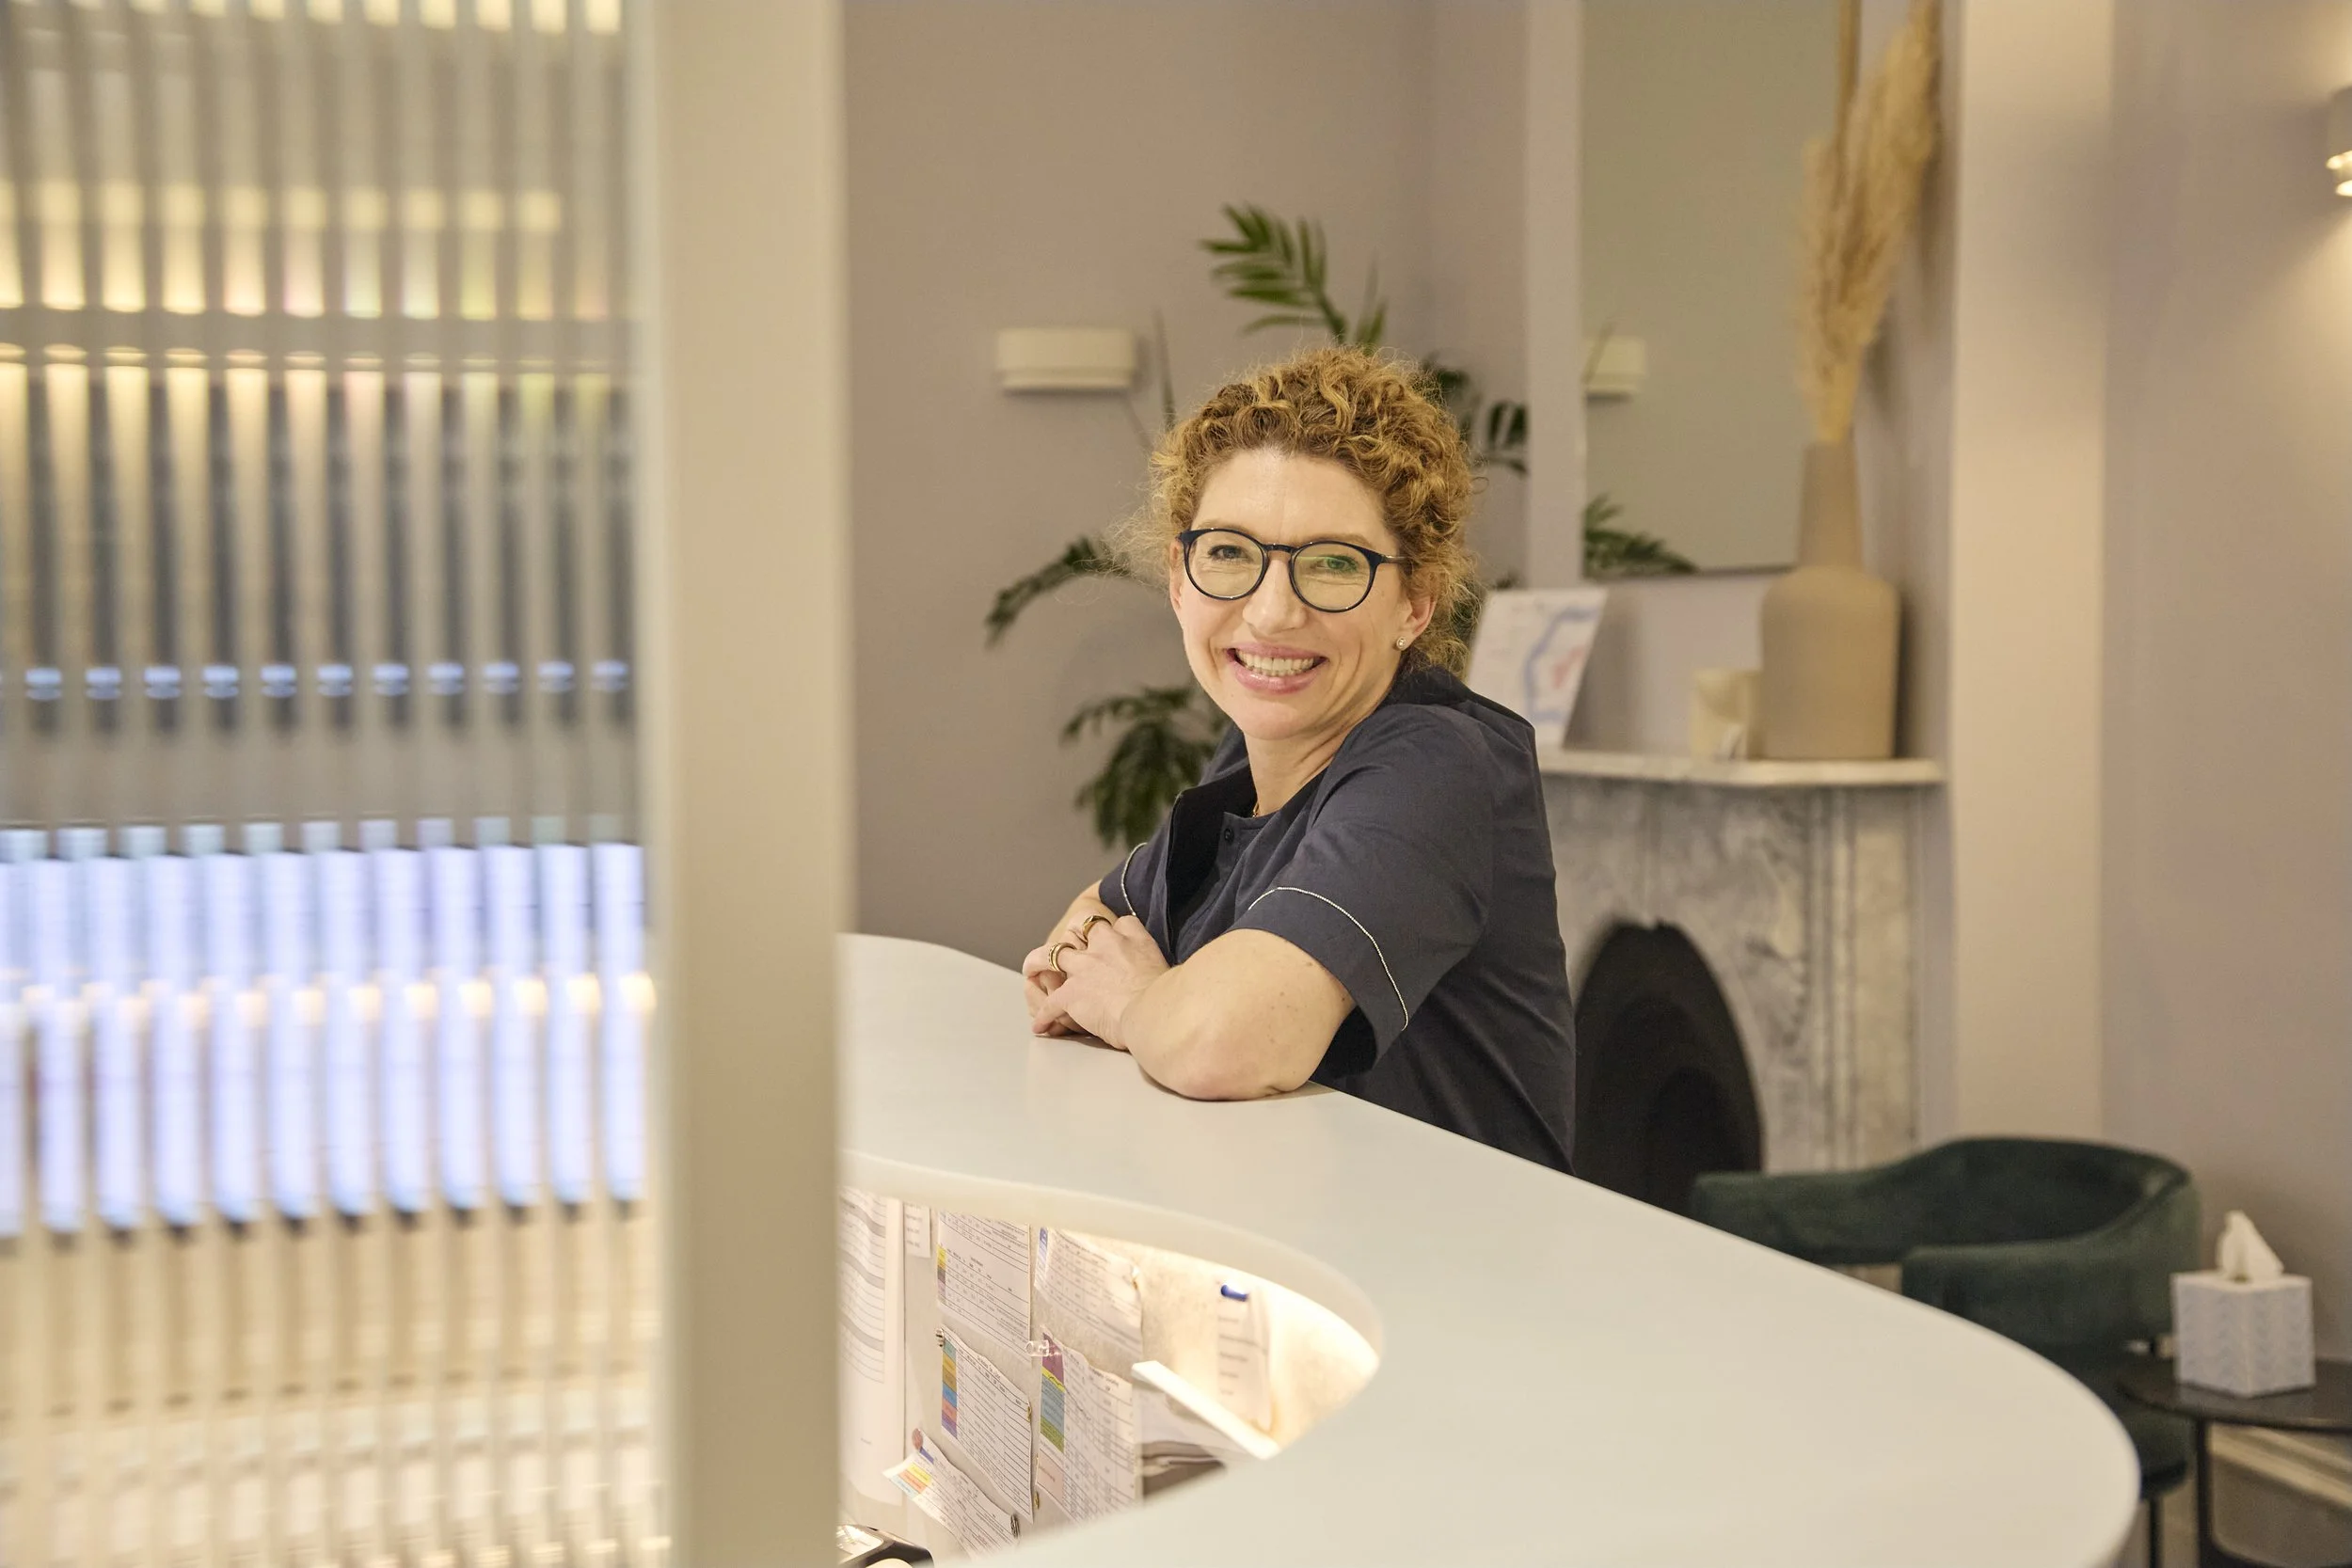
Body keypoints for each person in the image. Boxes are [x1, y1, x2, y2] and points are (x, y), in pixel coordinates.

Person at [1025, 346, 1577, 1172]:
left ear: (1415, 603)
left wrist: (1140, 998)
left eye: (1332, 565)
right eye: (1228, 554)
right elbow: (1076, 945)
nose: (1273, 612)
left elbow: (1221, 1043)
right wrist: (1133, 992)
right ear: (1179, 578)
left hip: (1456, 1283)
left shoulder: (1438, 764)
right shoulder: (1253, 758)